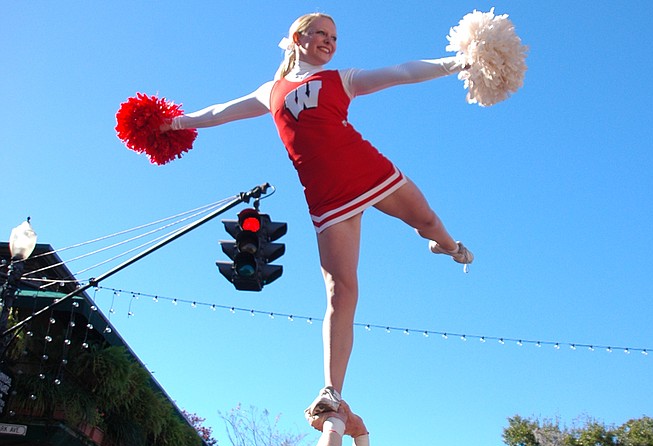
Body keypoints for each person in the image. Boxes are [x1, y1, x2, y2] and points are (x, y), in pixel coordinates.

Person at [164, 12, 473, 417]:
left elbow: (401, 72)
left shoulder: (342, 79)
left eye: (334, 37)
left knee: (427, 222)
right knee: (340, 291)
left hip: (366, 169)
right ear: (298, 37)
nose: (329, 41)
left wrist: (458, 62)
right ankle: (331, 390)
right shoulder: (270, 91)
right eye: (321, 34)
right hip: (327, 197)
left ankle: (448, 246)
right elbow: (219, 112)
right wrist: (174, 123)